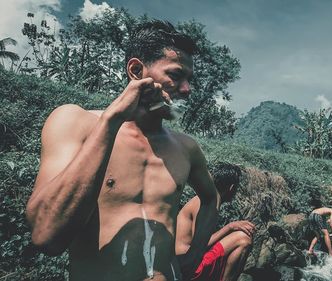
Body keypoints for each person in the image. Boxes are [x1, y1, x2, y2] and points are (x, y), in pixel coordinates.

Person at [25, 20, 219, 281]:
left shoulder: (186, 148)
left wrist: (195, 255)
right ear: (137, 70)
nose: (186, 90)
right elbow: (45, 236)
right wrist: (112, 120)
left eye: (189, 80)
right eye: (175, 75)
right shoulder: (75, 122)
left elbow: (211, 198)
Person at [176, 162, 254, 281]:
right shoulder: (208, 203)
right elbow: (200, 244)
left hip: (183, 263)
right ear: (231, 187)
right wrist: (230, 227)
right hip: (189, 267)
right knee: (243, 239)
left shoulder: (205, 198)